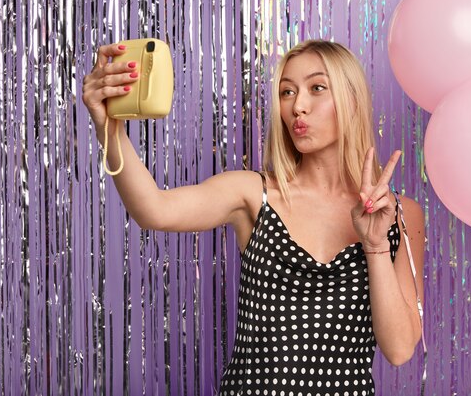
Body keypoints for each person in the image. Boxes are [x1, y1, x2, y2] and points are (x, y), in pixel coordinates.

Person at [83, 39, 425, 395]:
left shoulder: (400, 214)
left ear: (352, 99)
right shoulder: (253, 194)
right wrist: (108, 128)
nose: (298, 107)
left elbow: (400, 349)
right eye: (287, 92)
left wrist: (374, 245)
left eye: (317, 88)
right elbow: (153, 210)